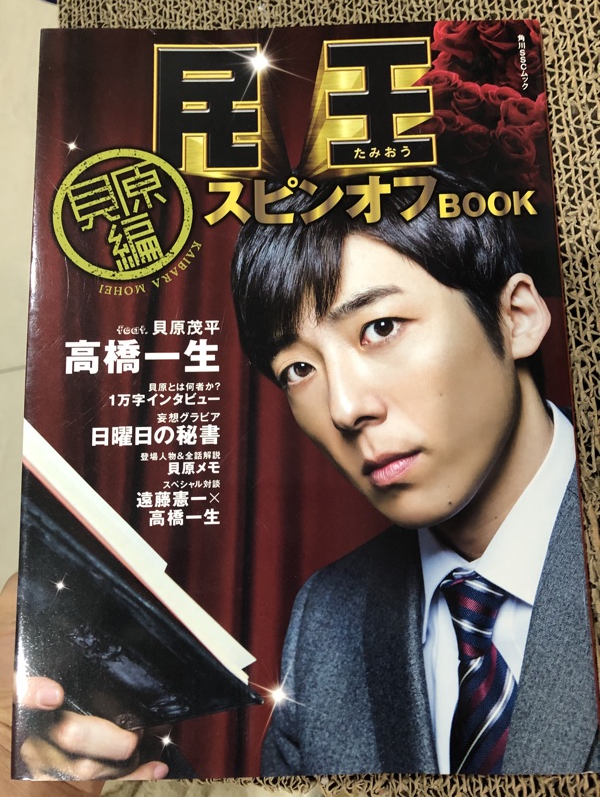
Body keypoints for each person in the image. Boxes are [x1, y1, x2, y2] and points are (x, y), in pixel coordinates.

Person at [10, 169, 600, 778]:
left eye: (380, 328)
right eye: (298, 369)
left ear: (517, 316)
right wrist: (134, 783)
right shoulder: (328, 614)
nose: (344, 408)